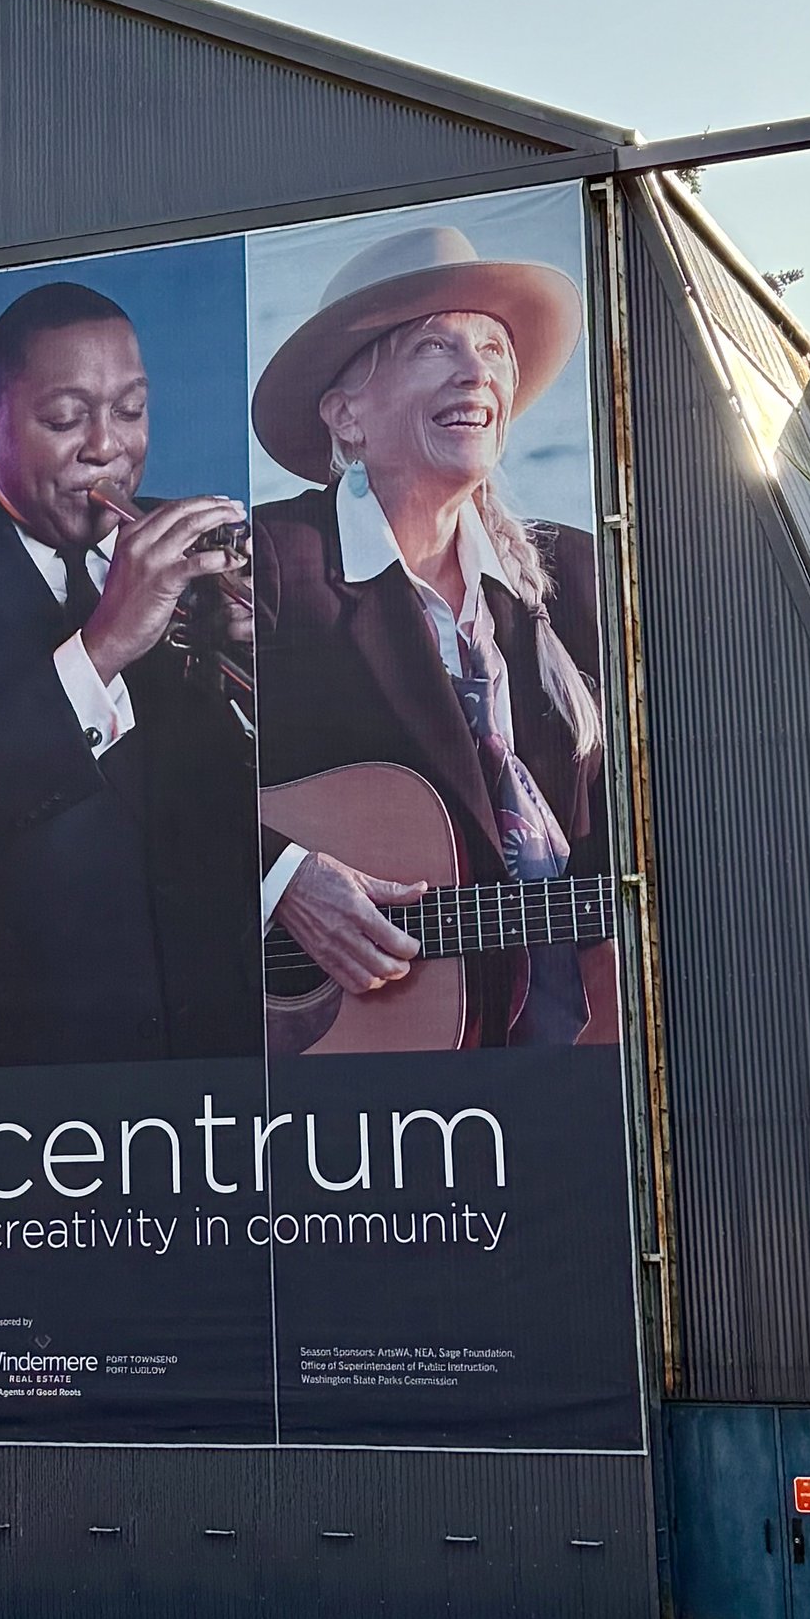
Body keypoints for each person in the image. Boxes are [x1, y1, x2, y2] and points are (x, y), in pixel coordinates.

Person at [247, 220, 610, 1048]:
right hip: (383, 1088)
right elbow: (149, 782)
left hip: (574, 1052)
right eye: (433, 347)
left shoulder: (575, 574)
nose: (478, 370)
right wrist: (281, 877)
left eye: (492, 347)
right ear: (347, 415)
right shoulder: (270, 561)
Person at [0, 280, 260, 1070]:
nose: (107, 447)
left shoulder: (192, 549)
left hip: (211, 1066)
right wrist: (104, 644)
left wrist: (261, 663)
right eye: (64, 417)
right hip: (35, 1082)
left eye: (130, 409)